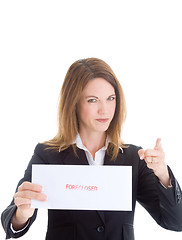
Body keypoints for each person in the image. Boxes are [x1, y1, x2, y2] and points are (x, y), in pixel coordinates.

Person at [1, 58, 182, 240]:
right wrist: (22, 214)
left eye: (110, 98)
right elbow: (11, 224)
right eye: (93, 100)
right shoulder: (47, 154)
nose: (104, 110)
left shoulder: (133, 158)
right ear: (74, 103)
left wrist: (163, 175)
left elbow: (176, 222)